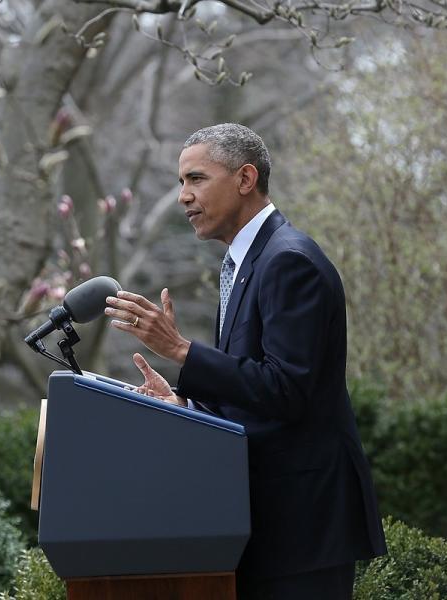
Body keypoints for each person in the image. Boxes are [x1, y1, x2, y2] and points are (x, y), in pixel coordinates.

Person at [104, 123, 386, 599]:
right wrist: (185, 403)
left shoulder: (288, 260)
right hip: (264, 525)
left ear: (245, 178)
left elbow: (286, 390)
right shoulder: (245, 259)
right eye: (181, 183)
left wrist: (180, 351)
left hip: (302, 528)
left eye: (196, 179)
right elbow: (253, 391)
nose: (183, 197)